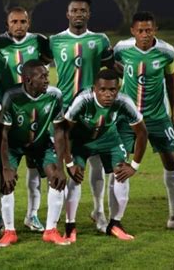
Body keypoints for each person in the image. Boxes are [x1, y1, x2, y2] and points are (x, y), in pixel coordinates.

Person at [114, 11, 174, 232]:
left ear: (155, 30)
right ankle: (115, 222)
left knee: (172, 160)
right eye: (140, 30)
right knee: (119, 165)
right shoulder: (122, 48)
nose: (144, 34)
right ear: (133, 31)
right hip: (127, 118)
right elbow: (110, 65)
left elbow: (171, 81)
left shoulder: (166, 52)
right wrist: (124, 76)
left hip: (158, 116)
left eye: (149, 30)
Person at [49, 0, 114, 238]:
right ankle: (57, 218)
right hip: (64, 112)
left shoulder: (100, 40)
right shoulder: (55, 41)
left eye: (83, 10)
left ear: (89, 14)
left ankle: (98, 211)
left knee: (96, 162)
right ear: (67, 14)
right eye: (74, 10)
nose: (78, 14)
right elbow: (39, 65)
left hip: (93, 112)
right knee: (64, 163)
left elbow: (111, 69)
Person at [0, 6, 52, 233]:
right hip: (6, 112)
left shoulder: (40, 41)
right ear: (7, 24)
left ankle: (32, 215)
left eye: (23, 21)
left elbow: (44, 66)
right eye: (14, 21)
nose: (19, 26)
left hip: (33, 113)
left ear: (29, 23)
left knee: (34, 167)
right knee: (2, 167)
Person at [62, 69, 148, 241]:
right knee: (75, 177)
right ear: (94, 89)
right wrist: (69, 163)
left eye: (112, 90)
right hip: (82, 141)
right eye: (103, 90)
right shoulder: (83, 100)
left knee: (121, 174)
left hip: (110, 140)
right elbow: (64, 131)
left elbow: (142, 133)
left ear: (118, 89)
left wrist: (134, 165)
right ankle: (70, 227)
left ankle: (115, 224)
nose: (108, 94)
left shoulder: (124, 101)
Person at [0, 60, 68, 247]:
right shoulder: (11, 96)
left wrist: (61, 167)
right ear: (28, 79)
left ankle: (51, 230)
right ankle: (9, 231)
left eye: (47, 75)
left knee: (57, 179)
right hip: (14, 144)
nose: (47, 79)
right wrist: (6, 168)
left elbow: (60, 131)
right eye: (42, 76)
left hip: (41, 143)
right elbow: (2, 134)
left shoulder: (55, 95)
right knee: (6, 182)